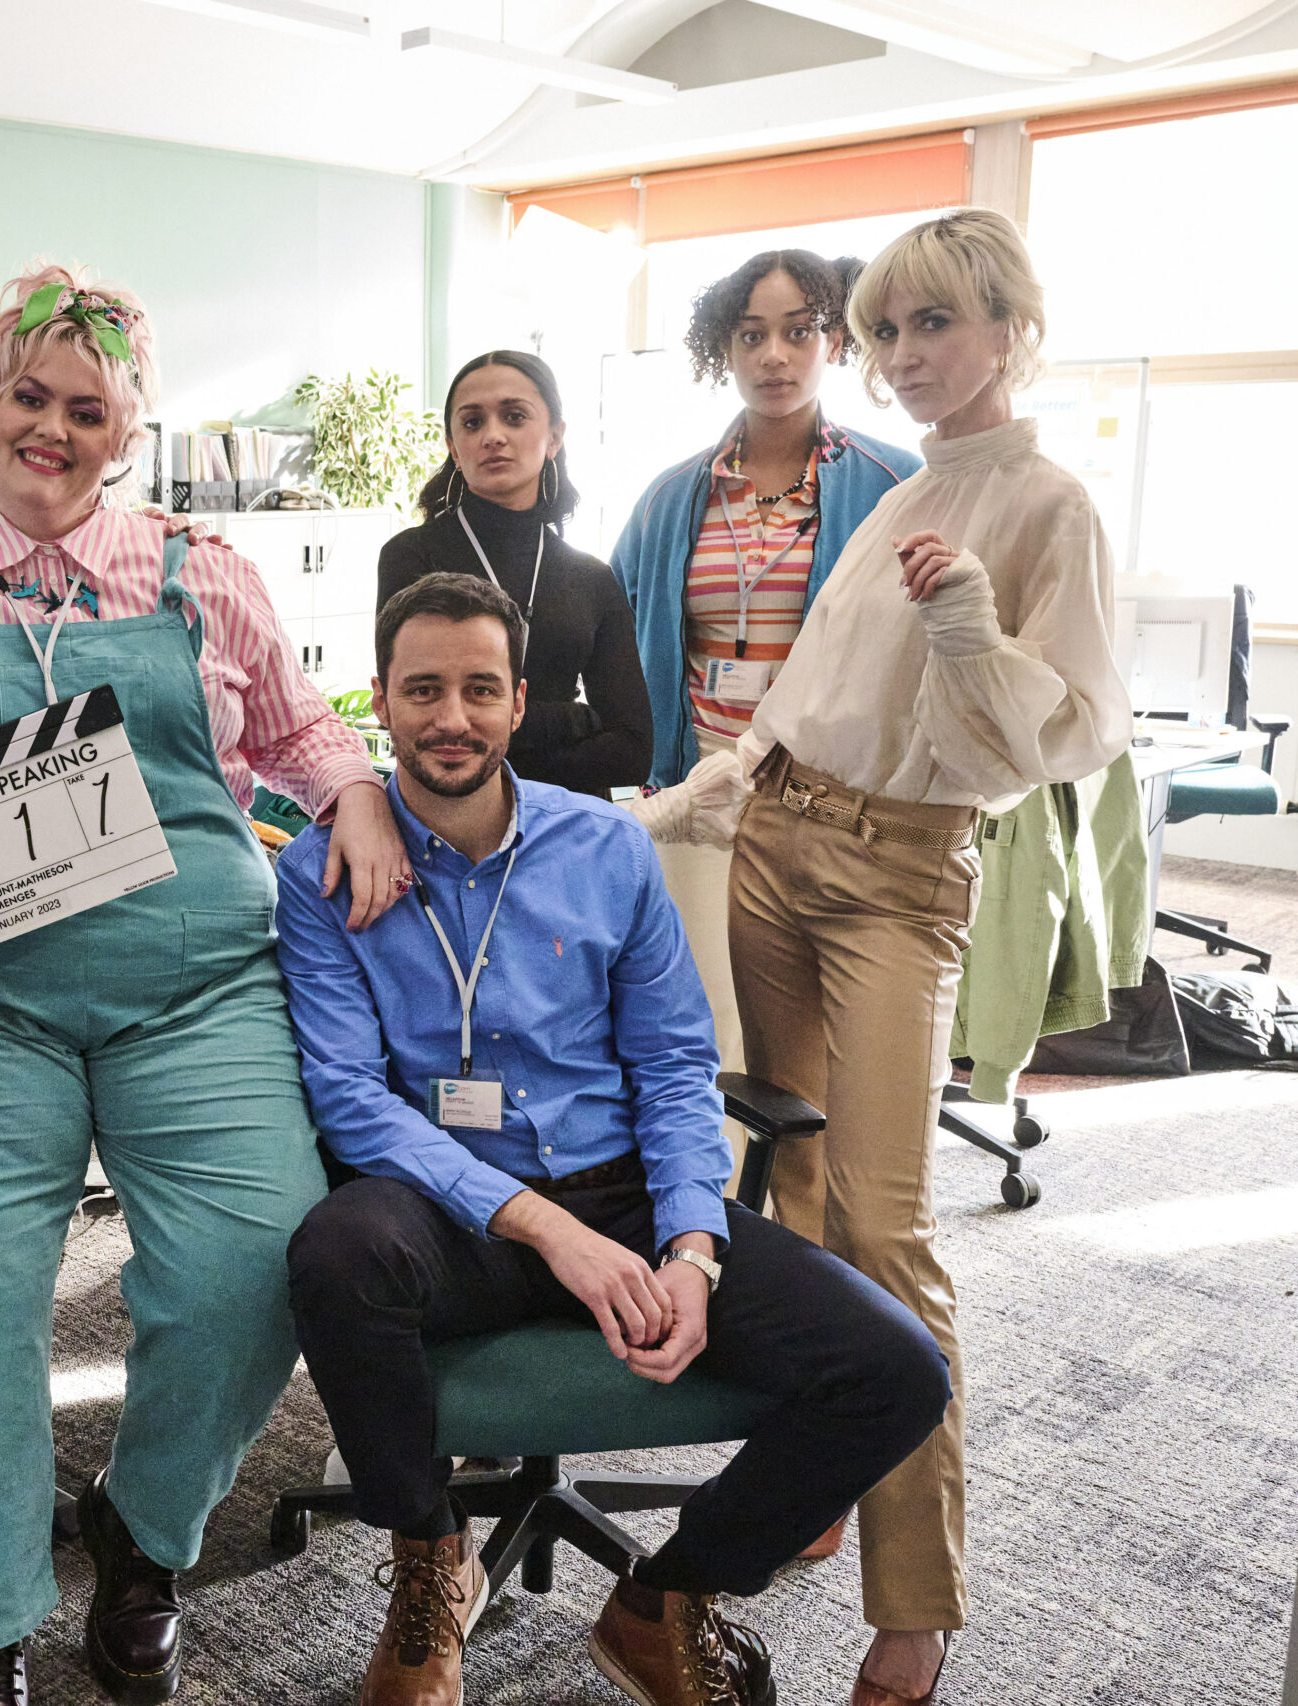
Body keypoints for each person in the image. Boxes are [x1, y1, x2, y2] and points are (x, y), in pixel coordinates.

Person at [0, 262, 414, 1706]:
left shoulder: (202, 573)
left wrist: (356, 797)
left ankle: (141, 1530)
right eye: (29, 397)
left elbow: (306, 727)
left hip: (191, 987)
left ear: (123, 435)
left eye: (85, 408)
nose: (51, 429)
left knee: (255, 1262)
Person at [276, 571, 950, 1706]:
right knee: (335, 1253)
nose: (452, 716)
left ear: (520, 699)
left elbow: (676, 1063)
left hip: (626, 1194)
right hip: (451, 1215)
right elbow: (348, 1097)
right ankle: (430, 1556)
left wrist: (691, 1243)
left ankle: (665, 1596)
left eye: (479, 688)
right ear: (379, 703)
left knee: (894, 1368)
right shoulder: (320, 868)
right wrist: (544, 1230)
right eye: (423, 689)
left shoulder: (606, 849)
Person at [636, 208, 1130, 1706]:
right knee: (788, 1184)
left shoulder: (1046, 505)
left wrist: (975, 634)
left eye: (938, 326)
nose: (907, 356)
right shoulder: (903, 488)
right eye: (894, 330)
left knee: (890, 1229)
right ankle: (822, 1462)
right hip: (772, 842)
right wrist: (686, 799)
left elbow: (1061, 738)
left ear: (1011, 332)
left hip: (896, 878)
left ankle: (914, 1612)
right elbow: (807, 693)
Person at [612, 249, 923, 789]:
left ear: (836, 343)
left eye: (799, 332)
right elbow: (612, 630)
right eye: (752, 336)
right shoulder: (668, 498)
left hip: (831, 797)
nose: (773, 356)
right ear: (727, 352)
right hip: (691, 786)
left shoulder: (894, 484)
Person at [376, 351, 650, 797]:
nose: (493, 436)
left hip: (569, 825)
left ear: (554, 437)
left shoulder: (592, 578)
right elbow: (414, 721)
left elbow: (633, 751)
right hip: (448, 819)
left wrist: (496, 740)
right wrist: (574, 717)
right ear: (452, 445)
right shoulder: (411, 558)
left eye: (514, 416)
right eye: (472, 422)